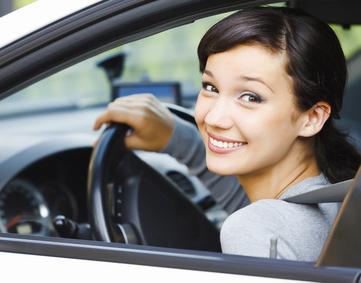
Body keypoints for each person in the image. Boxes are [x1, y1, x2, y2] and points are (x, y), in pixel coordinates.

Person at [94, 7, 361, 261]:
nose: (212, 118)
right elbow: (249, 202)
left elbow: (258, 221)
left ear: (312, 118)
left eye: (250, 97)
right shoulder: (340, 195)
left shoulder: (256, 229)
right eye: (210, 87)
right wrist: (175, 137)